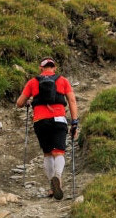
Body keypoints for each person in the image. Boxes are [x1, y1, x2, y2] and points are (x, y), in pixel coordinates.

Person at [16, 57, 78, 200]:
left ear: (41, 68)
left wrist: (28, 102)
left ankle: (52, 186)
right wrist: (74, 122)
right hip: (59, 119)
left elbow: (19, 103)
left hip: (40, 121)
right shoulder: (63, 80)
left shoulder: (33, 82)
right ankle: (58, 177)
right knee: (59, 152)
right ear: (54, 68)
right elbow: (72, 101)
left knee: (48, 154)